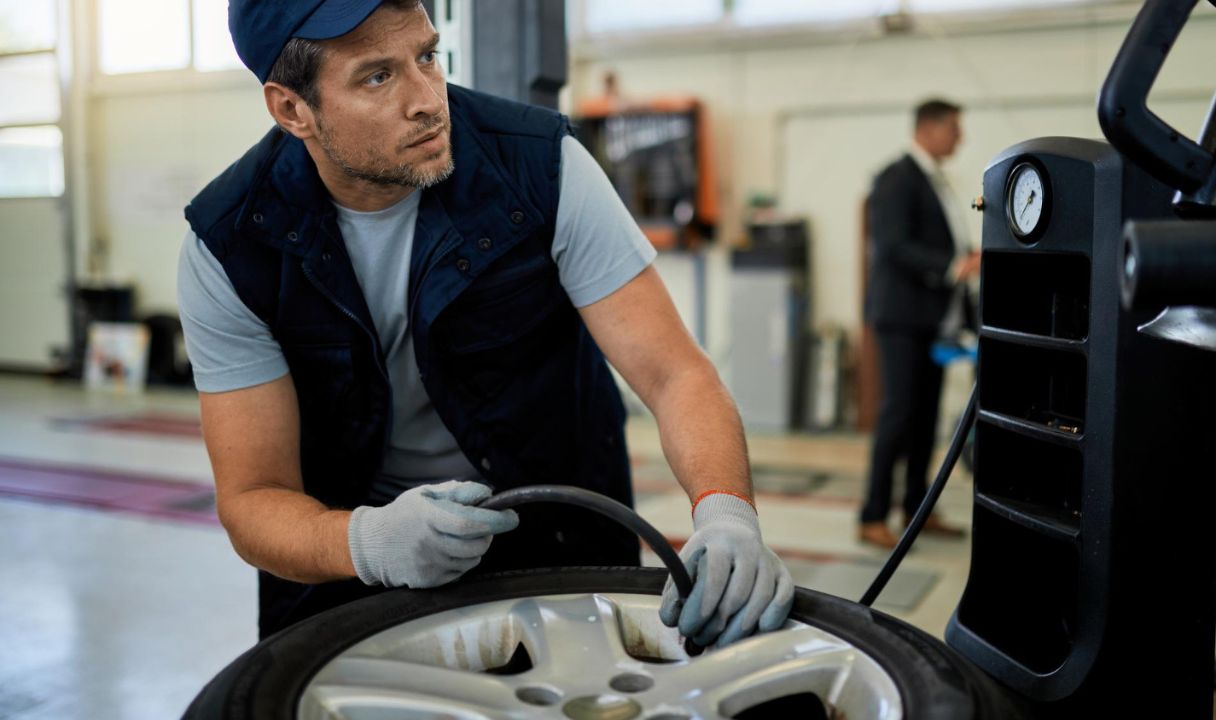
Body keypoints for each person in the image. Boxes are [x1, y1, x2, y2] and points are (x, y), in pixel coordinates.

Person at [178, 0, 793, 647]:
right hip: (347, 561)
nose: (425, 100)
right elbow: (253, 496)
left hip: (557, 543)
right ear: (291, 109)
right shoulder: (231, 244)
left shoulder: (541, 166)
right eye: (376, 77)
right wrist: (368, 541)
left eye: (426, 57)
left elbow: (675, 375)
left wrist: (726, 513)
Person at [860, 98, 978, 550]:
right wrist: (953, 266)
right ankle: (871, 514)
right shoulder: (897, 177)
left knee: (926, 417)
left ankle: (915, 507)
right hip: (901, 316)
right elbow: (891, 245)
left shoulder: (935, 178)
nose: (960, 138)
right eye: (954, 127)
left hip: (931, 318)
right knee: (898, 413)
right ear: (930, 128)